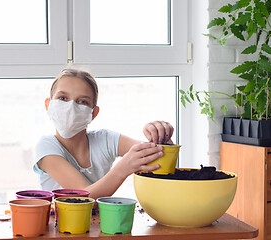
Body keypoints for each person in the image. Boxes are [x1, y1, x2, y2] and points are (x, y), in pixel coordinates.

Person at [33, 68, 174, 199]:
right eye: (63, 98)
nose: (71, 107)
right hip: (57, 225)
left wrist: (159, 136)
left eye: (82, 101)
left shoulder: (105, 139)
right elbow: (84, 196)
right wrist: (123, 168)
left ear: (93, 113)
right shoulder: (46, 146)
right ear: (48, 105)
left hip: (101, 223)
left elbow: (159, 158)